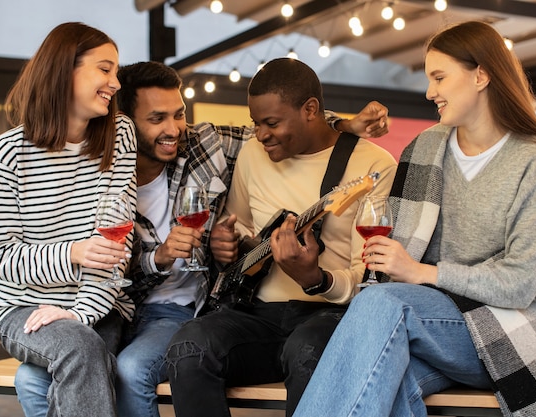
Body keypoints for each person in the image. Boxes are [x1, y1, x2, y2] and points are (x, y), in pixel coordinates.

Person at [12, 60, 391, 417]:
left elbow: (291, 125)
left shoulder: (203, 144)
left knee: (134, 369)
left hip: (187, 309)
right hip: (113, 305)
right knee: (31, 379)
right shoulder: (92, 172)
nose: (175, 128)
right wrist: (167, 256)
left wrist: (342, 125)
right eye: (157, 118)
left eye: (179, 114)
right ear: (124, 124)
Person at [291, 21, 536, 417]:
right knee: (387, 383)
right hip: (437, 323)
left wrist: (420, 272)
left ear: (481, 75)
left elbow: (519, 285)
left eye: (440, 77)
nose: (430, 92)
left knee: (383, 304)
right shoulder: (426, 148)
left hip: (511, 328)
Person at [165, 57, 398, 417]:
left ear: (310, 110)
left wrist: (315, 279)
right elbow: (240, 225)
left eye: (271, 123)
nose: (261, 134)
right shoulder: (252, 154)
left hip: (331, 314)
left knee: (306, 350)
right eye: (255, 124)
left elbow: (372, 281)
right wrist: (227, 244)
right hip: (257, 313)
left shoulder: (372, 165)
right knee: (188, 347)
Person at [0, 22, 137, 417]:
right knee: (78, 347)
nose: (115, 83)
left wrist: (79, 313)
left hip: (97, 305)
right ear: (65, 69)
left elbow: (118, 247)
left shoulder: (120, 137)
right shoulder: (8, 152)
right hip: (22, 308)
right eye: (104, 69)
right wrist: (73, 253)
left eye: (116, 71)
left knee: (75, 347)